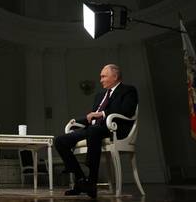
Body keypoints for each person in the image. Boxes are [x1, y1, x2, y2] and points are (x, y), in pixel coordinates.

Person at [55, 64, 138, 198]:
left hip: (114, 129)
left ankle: (92, 181)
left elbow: (127, 111)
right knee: (60, 140)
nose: (101, 80)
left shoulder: (128, 90)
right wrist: (77, 121)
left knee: (94, 131)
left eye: (103, 76)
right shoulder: (99, 96)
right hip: (94, 129)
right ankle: (81, 179)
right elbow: (93, 116)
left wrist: (103, 114)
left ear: (115, 76)